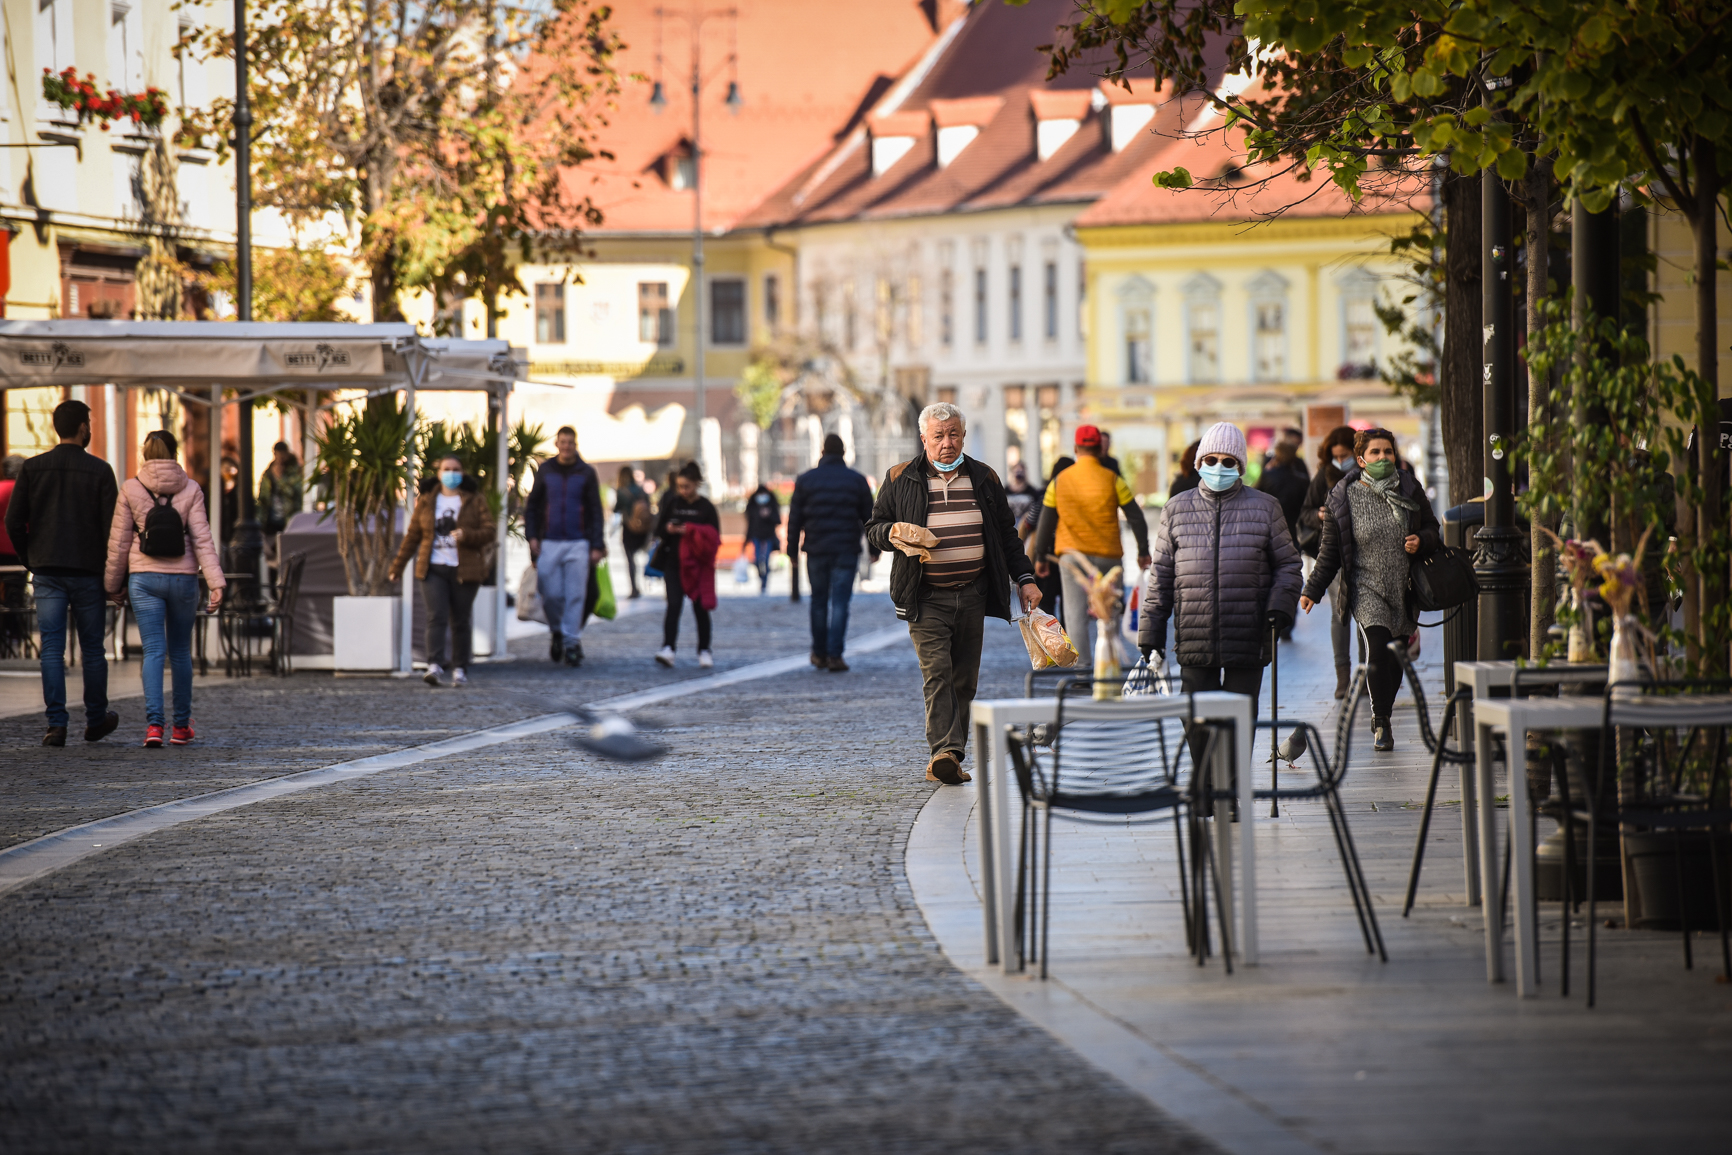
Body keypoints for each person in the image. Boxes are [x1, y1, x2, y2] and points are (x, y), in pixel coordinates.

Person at [865, 402, 1041, 786]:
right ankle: (944, 751)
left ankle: (950, 756)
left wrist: (1025, 578)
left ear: (962, 436)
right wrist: (893, 532)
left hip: (973, 593)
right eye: (939, 436)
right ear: (924, 439)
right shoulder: (900, 477)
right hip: (925, 595)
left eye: (954, 434)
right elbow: (874, 528)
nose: (947, 443)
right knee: (937, 673)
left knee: (964, 679)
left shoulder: (984, 477)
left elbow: (1007, 536)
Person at [1138, 421, 1302, 763]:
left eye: (1228, 461)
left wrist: (1279, 606)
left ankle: (1231, 784)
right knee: (1195, 718)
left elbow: (1288, 564)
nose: (1218, 467)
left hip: (1249, 632)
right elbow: (1162, 575)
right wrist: (1151, 632)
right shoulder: (1176, 509)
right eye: (1211, 460)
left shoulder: (1265, 507)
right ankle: (1207, 781)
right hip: (1195, 634)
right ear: (1199, 463)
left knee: (1239, 721)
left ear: (1240, 466)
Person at [1300, 428, 1440, 752]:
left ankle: (1384, 709)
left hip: (1405, 589)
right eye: (1375, 452)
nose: (1382, 457)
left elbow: (1433, 528)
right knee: (1377, 649)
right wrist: (1312, 589)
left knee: (1396, 658)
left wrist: (1422, 540)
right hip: (1366, 588)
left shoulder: (1409, 487)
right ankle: (1382, 722)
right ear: (1361, 459)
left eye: (1387, 451)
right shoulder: (1343, 496)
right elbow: (1330, 552)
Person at [5, 400, 122, 746]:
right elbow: (113, 529)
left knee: (52, 648)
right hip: (88, 570)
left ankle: (56, 724)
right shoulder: (100, 470)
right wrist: (115, 573)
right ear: (83, 427)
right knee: (93, 649)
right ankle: (96, 719)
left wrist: (30, 557)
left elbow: (13, 521)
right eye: (89, 423)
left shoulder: (33, 468)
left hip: (47, 568)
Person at [104, 431, 226, 746]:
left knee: (154, 651)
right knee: (181, 651)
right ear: (174, 453)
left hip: (144, 579)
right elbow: (202, 539)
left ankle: (155, 726)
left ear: (145, 454)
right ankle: (181, 727)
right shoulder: (191, 488)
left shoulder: (131, 488)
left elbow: (119, 543)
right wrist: (215, 582)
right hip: (183, 578)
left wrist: (113, 585)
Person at [1031, 425, 1151, 667]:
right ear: (1099, 450)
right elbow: (1136, 517)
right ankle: (1110, 664)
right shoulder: (1113, 479)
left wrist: (1041, 556)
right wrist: (1143, 551)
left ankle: (1082, 670)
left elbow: (1046, 521)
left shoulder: (1060, 481)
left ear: (1076, 449)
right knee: (1110, 613)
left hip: (1072, 557)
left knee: (1074, 614)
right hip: (1109, 556)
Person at [390, 455, 497, 688]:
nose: (451, 474)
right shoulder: (427, 500)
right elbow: (413, 536)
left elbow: (490, 531)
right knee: (436, 616)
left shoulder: (474, 500)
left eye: (456, 469)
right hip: (433, 568)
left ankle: (460, 668)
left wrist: (466, 535)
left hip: (465, 569)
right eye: (446, 469)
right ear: (438, 473)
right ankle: (434, 665)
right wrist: (398, 566)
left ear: (463, 473)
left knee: (460, 620)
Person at [787, 432, 873, 671]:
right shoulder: (857, 480)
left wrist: (791, 551)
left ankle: (819, 653)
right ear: (843, 453)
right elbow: (870, 518)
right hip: (846, 549)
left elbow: (795, 519)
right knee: (841, 602)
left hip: (816, 549)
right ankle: (835, 655)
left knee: (818, 601)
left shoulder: (806, 480)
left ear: (822, 452)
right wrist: (875, 548)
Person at [524, 426, 604, 667]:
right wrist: (532, 536)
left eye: (570, 442)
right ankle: (557, 630)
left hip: (578, 541)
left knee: (576, 594)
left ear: (575, 444)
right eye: (563, 442)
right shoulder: (546, 470)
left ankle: (571, 642)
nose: (567, 446)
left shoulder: (586, 472)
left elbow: (595, 510)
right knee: (551, 592)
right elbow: (533, 505)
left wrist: (596, 544)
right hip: (549, 540)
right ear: (557, 444)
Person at [1302, 426, 1360, 698]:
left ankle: (1368, 675)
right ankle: (1343, 678)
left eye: (1345, 455)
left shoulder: (1366, 474)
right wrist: (1319, 515)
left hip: (1365, 552)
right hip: (1336, 553)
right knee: (1340, 614)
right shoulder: (1323, 476)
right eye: (1336, 456)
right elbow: (1305, 512)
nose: (1340, 460)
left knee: (1367, 616)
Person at [652, 461, 721, 668]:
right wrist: (669, 529)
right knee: (673, 605)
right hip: (673, 563)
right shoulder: (673, 503)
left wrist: (691, 530)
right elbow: (659, 530)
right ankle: (668, 648)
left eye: (687, 487)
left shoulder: (706, 507)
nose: (683, 491)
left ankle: (704, 650)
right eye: (680, 486)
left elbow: (715, 536)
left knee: (700, 608)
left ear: (696, 484)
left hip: (697, 565)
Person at [1255, 436, 1309, 641]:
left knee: (1267, 577)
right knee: (1290, 578)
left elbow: (1254, 500)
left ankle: (1269, 620)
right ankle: (1287, 621)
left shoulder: (1267, 477)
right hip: (1293, 536)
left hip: (1267, 535)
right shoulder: (1302, 480)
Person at [615, 466, 652, 598]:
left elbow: (616, 509)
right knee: (647, 555)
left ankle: (634, 588)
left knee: (630, 559)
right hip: (644, 528)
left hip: (629, 528)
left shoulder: (622, 492)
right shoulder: (641, 490)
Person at [744, 480, 783, 596]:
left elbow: (778, 520)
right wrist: (746, 540)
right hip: (756, 536)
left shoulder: (771, 505)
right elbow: (750, 524)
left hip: (768, 536)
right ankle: (761, 577)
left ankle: (764, 582)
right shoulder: (753, 507)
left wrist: (769, 515)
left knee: (765, 560)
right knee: (756, 560)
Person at [258, 441, 303, 540]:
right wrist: (260, 521)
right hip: (270, 520)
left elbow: (295, 494)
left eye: (282, 455)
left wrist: (280, 479)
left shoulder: (295, 471)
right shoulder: (268, 473)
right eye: (277, 455)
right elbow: (263, 498)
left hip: (289, 519)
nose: (280, 459)